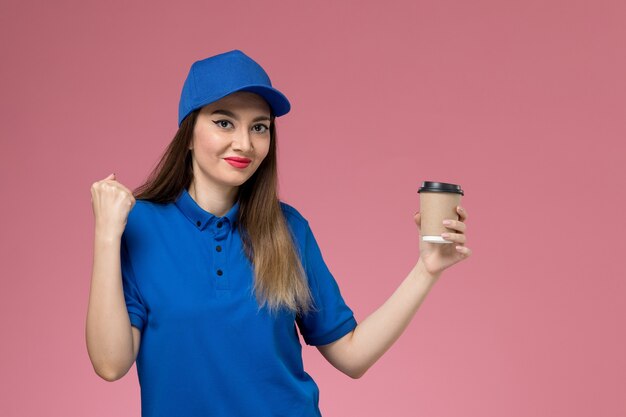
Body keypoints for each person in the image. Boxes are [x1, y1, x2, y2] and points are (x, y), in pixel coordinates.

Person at [86, 49, 472, 417]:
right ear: (188, 133)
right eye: (224, 122)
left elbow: (352, 356)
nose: (245, 143)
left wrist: (427, 269)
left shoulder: (289, 229)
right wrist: (106, 235)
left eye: (260, 127)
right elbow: (110, 363)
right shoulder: (140, 227)